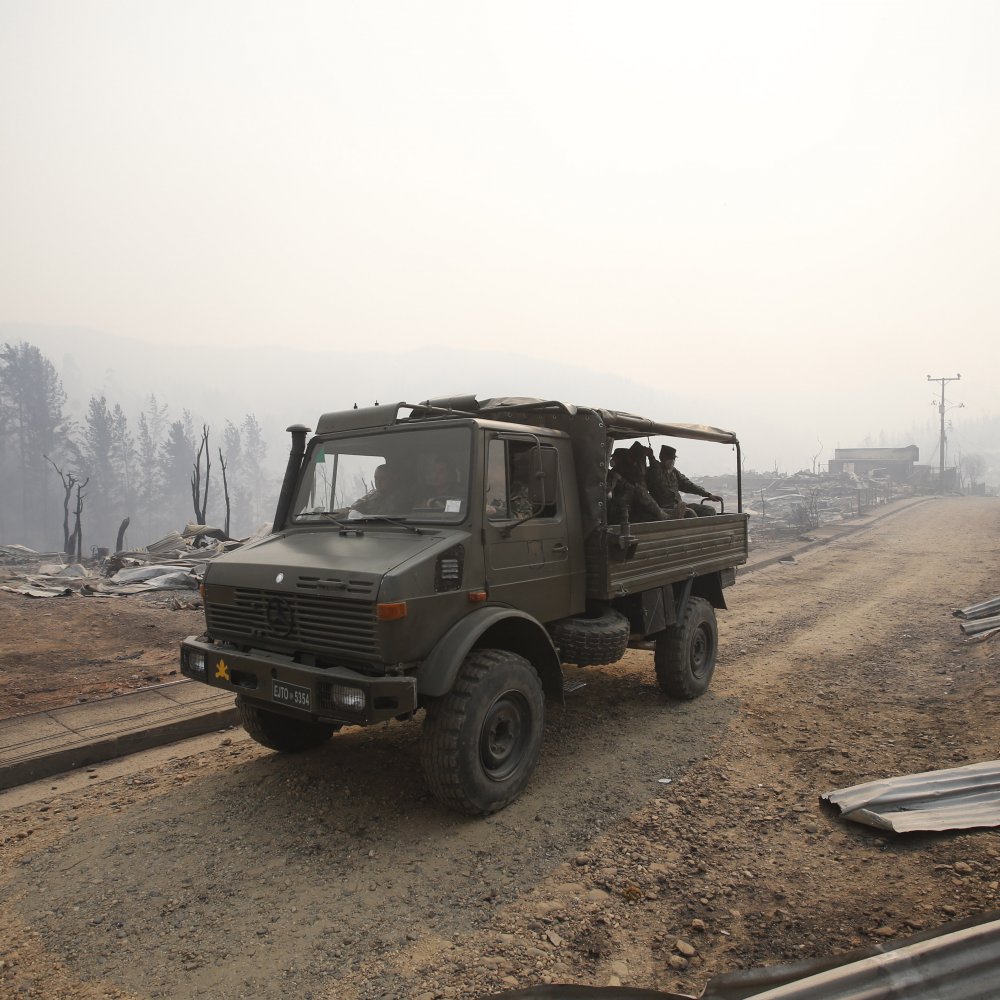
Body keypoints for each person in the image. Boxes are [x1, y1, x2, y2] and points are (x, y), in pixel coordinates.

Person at [647, 444, 723, 517]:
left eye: (673, 458)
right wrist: (651, 456)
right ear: (662, 458)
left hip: (679, 505)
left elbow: (688, 485)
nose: (672, 461)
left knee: (709, 510)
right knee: (690, 513)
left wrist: (708, 495)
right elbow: (654, 467)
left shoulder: (674, 472)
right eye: (669, 458)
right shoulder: (654, 471)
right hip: (664, 508)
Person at [608, 448, 671, 523]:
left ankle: (668, 513)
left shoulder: (629, 472)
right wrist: (622, 481)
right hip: (617, 508)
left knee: (650, 514)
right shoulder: (613, 473)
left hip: (629, 506)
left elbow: (654, 476)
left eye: (615, 458)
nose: (612, 459)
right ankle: (663, 514)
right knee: (639, 492)